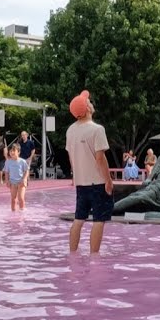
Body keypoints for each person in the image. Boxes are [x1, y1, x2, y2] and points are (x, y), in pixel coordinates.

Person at [65, 90, 113, 253]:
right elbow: (100, 158)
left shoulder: (70, 130)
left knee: (78, 219)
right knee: (99, 220)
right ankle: (94, 256)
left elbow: (71, 158)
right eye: (89, 102)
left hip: (81, 182)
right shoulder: (97, 129)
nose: (91, 103)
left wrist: (75, 177)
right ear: (87, 109)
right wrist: (108, 180)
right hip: (98, 182)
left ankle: (72, 253)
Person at [6, 144, 30, 211]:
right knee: (13, 198)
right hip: (12, 182)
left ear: (18, 152)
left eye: (14, 150)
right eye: (10, 151)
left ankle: (22, 210)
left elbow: (26, 171)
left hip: (21, 181)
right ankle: (13, 211)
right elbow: (7, 172)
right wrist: (7, 181)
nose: (12, 152)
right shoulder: (8, 162)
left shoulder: (22, 161)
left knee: (21, 198)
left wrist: (24, 179)